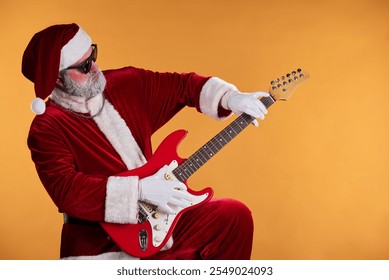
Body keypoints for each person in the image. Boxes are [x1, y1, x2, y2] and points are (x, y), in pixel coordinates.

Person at [22, 23, 269, 260]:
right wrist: (139, 190)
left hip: (162, 224)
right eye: (84, 66)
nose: (96, 68)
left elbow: (182, 86)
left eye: (93, 56)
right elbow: (66, 191)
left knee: (233, 216)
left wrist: (230, 98)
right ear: (56, 78)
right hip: (101, 245)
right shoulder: (47, 127)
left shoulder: (126, 84)